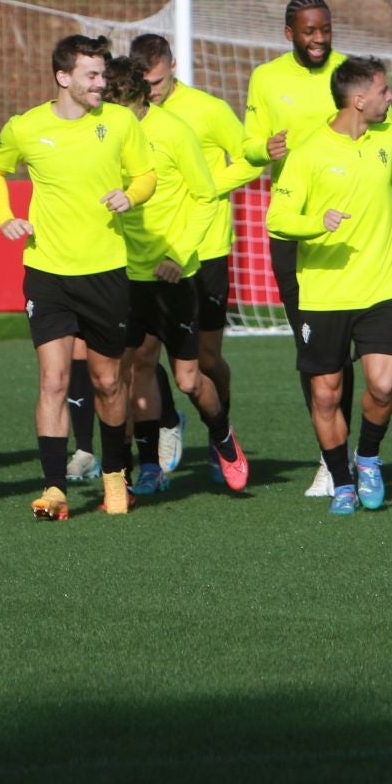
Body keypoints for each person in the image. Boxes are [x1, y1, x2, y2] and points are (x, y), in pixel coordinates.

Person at [0, 34, 155, 520]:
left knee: (107, 382)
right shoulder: (26, 127)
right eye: (92, 75)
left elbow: (146, 175)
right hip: (46, 274)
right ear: (64, 78)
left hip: (105, 272)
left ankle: (115, 478)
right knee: (53, 381)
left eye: (102, 74)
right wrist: (4, 215)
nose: (102, 83)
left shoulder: (120, 122)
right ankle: (54, 488)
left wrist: (132, 196)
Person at [265, 56, 392, 515]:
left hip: (381, 286)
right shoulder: (309, 154)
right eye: (385, 91)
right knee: (326, 392)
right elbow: (277, 219)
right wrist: (316, 223)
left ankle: (367, 455)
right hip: (324, 293)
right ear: (359, 98)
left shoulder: (391, 140)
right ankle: (342, 481)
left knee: (383, 386)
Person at [102, 56, 247, 494]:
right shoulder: (101, 131)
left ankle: (222, 436)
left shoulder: (174, 132)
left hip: (174, 274)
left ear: (143, 99)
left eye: (124, 108)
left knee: (188, 378)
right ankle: (145, 466)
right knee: (131, 370)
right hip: (123, 274)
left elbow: (206, 197)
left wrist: (180, 255)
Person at [242, 0, 364, 496]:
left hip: (350, 227)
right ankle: (329, 454)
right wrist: (262, 148)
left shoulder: (352, 73)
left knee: (348, 347)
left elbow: (383, 134)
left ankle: (347, 455)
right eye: (309, 31)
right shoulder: (266, 79)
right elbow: (249, 145)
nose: (319, 40)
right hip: (292, 229)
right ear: (289, 32)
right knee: (313, 347)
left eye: (325, 29)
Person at [133, 32, 260, 484]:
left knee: (205, 360)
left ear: (172, 65)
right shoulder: (129, 118)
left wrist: (203, 185)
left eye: (157, 80)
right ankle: (164, 424)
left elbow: (250, 158)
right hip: (144, 256)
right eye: (143, 84)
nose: (152, 90)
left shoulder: (206, 110)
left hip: (203, 249)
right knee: (141, 358)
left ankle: (218, 432)